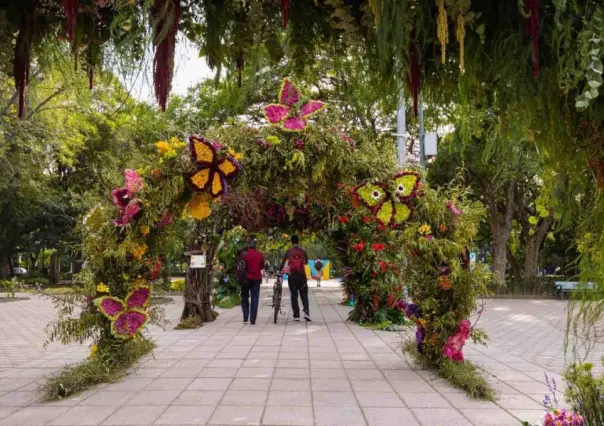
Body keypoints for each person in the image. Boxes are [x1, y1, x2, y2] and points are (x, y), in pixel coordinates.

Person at [279, 235, 311, 321]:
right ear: (298, 241)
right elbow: (306, 262)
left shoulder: (288, 252)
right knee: (304, 294)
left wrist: (279, 271)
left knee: (294, 295)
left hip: (292, 276)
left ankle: (296, 315)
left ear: (291, 242)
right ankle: (306, 312)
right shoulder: (302, 251)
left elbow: (282, 263)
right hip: (302, 276)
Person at [241, 239, 265, 325]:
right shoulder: (259, 255)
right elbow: (262, 266)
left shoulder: (244, 255)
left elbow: (240, 266)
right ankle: (252, 319)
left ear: (248, 246)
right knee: (255, 298)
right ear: (255, 246)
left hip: (246, 278)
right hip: (256, 279)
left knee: (244, 296)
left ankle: (245, 317)